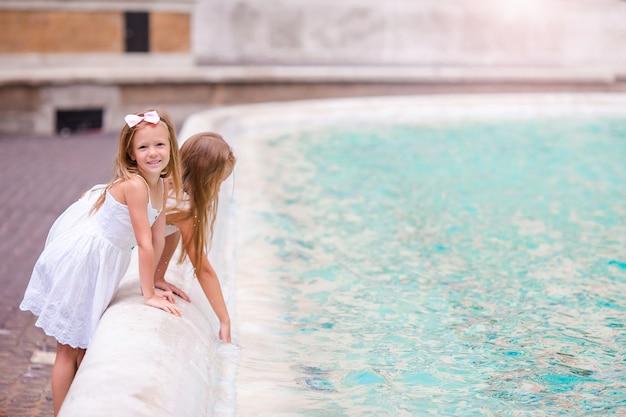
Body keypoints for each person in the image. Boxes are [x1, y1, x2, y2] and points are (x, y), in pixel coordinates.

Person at [20, 109, 183, 416]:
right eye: (144, 147)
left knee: (85, 343)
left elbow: (159, 238)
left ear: (171, 147)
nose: (153, 153)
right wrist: (148, 295)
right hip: (85, 260)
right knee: (68, 349)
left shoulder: (161, 184)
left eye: (160, 145)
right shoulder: (135, 186)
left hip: (106, 261)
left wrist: (158, 280)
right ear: (131, 154)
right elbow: (144, 243)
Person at [153, 132, 236, 344]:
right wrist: (224, 320)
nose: (217, 189)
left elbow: (170, 231)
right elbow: (203, 267)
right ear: (204, 178)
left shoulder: (166, 182)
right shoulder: (182, 207)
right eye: (217, 182)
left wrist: (158, 276)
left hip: (87, 225)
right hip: (97, 247)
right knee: (73, 348)